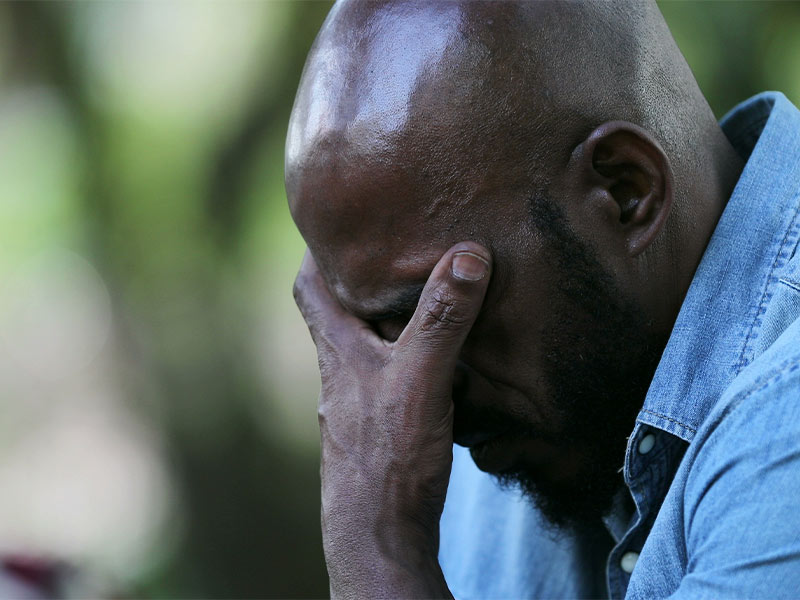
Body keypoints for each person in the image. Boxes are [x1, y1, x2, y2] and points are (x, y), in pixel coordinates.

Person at [286, 0, 800, 597]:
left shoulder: (783, 424)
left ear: (625, 192)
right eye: (380, 335)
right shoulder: (516, 430)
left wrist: (380, 553)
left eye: (441, 314)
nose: (412, 400)